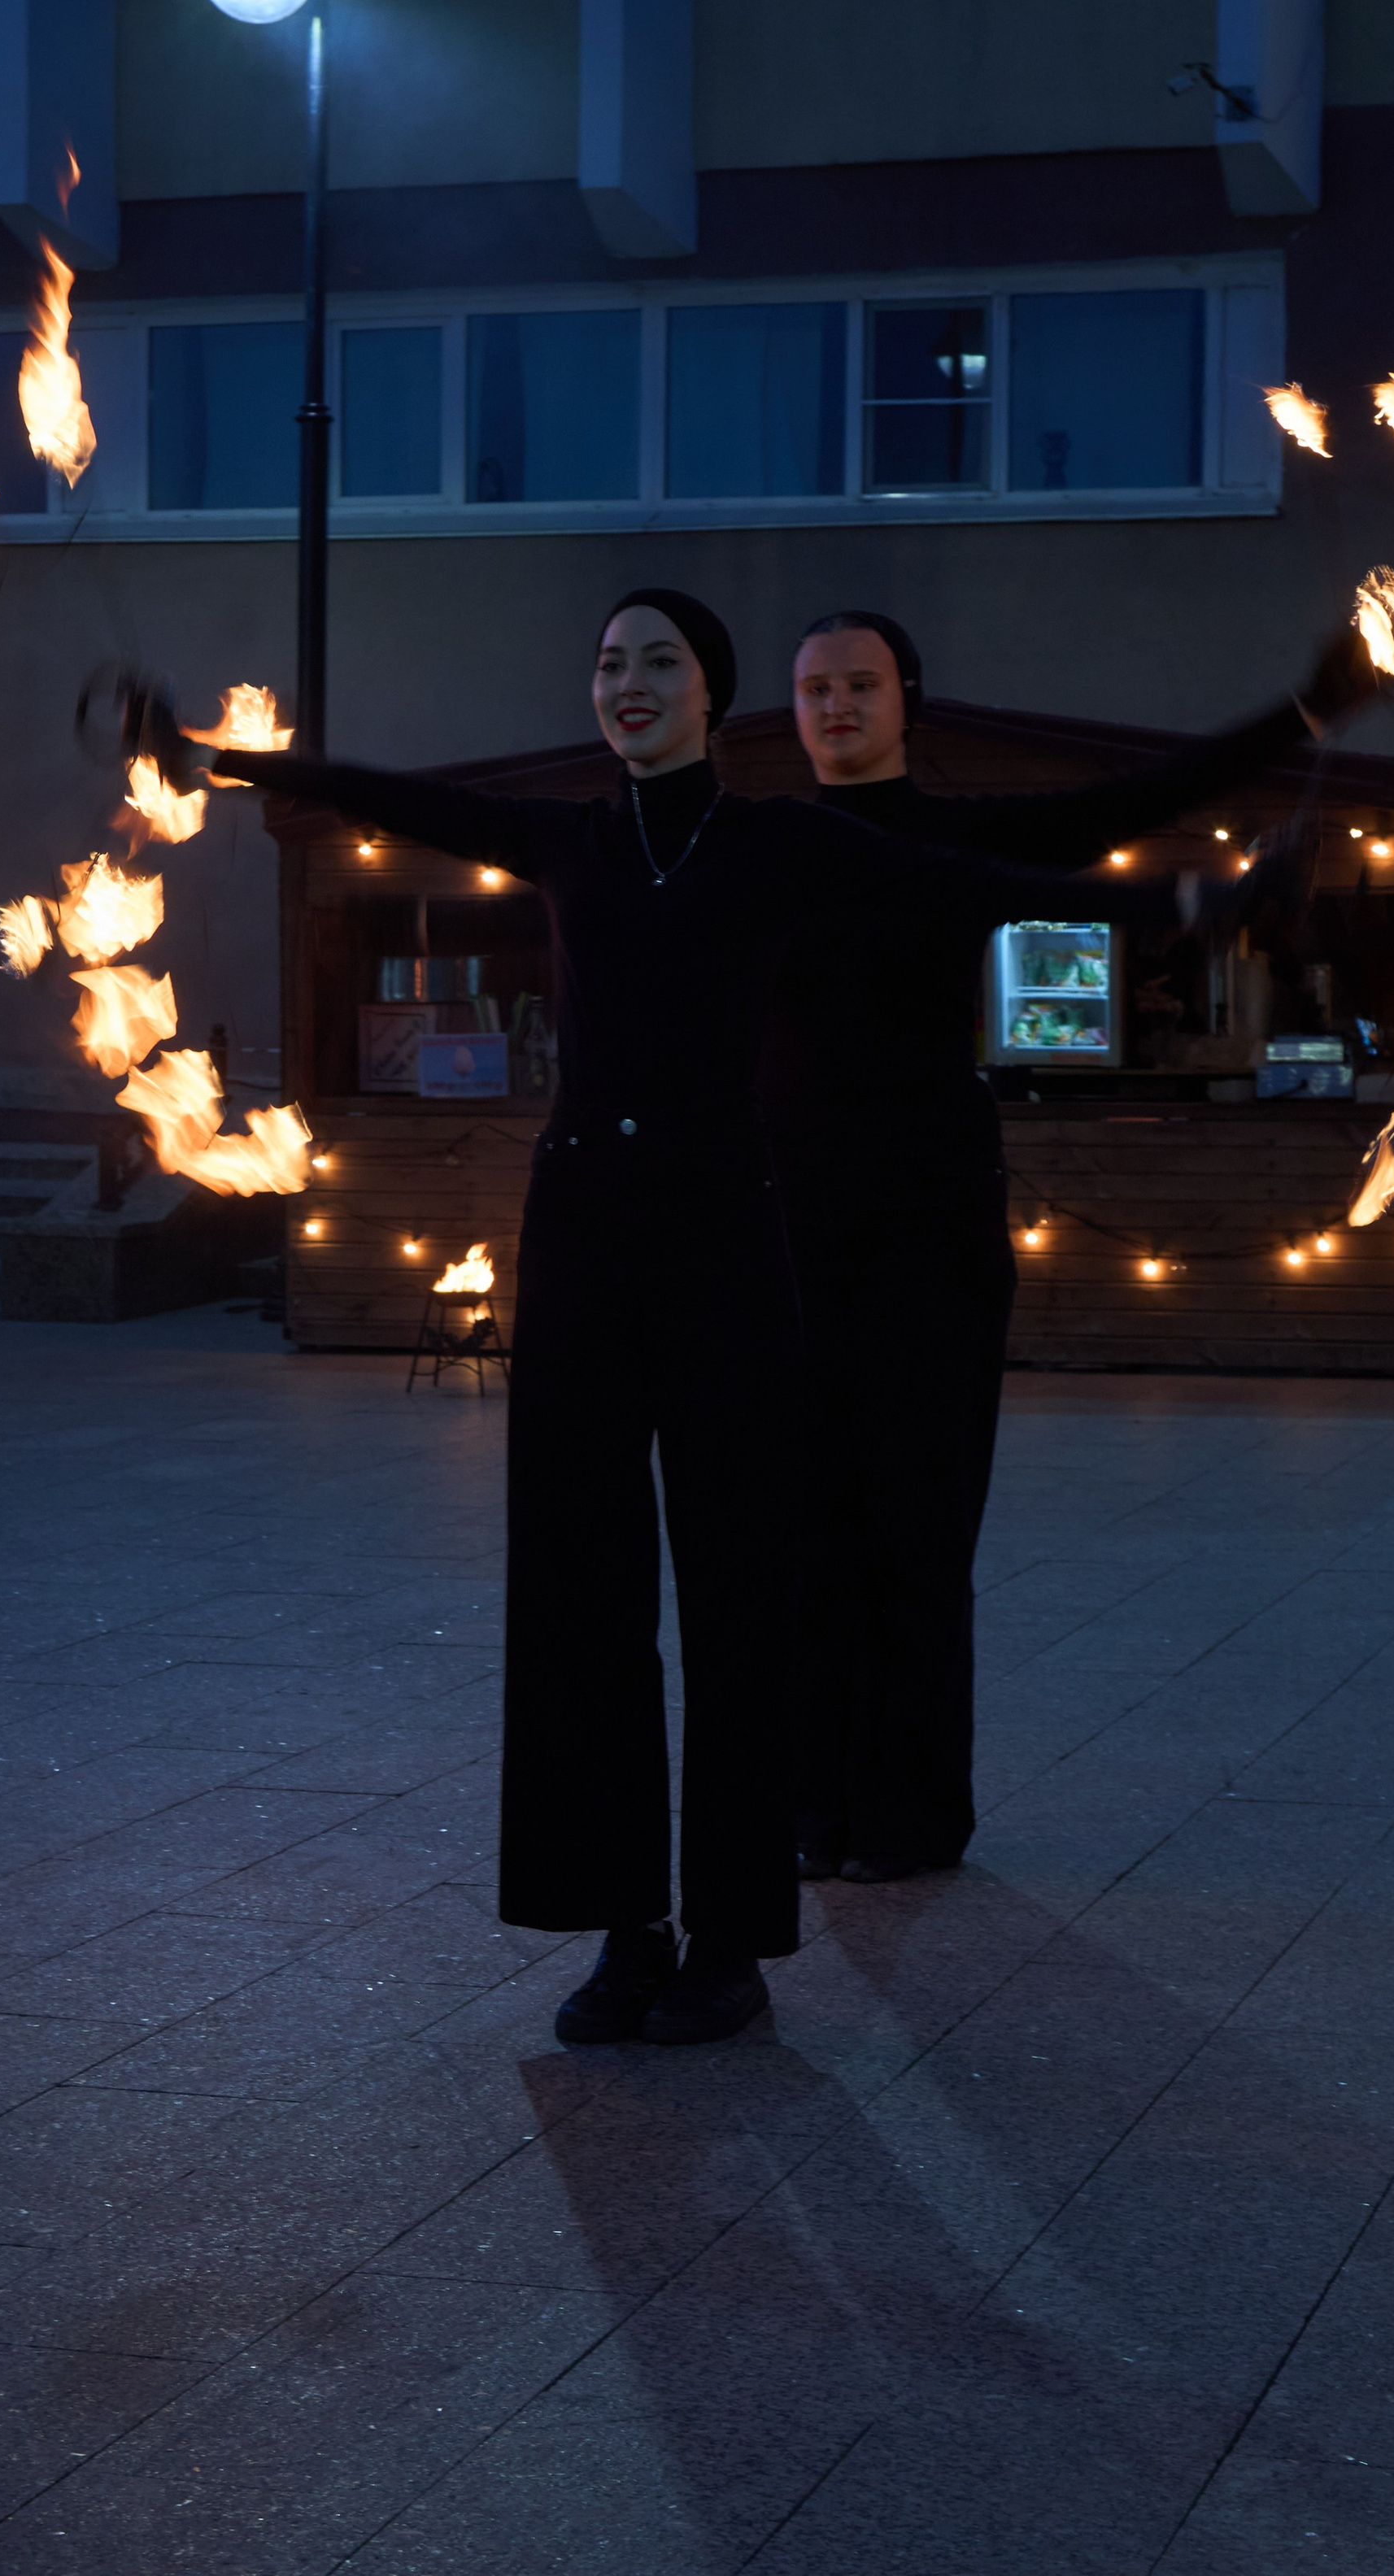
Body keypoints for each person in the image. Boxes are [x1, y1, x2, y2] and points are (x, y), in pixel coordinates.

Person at [150, 594, 1224, 2049]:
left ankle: (727, 1943)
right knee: (581, 1599)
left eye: (660, 662)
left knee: (740, 1589)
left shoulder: (782, 842)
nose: (627, 684)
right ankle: (622, 1929)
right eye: (607, 662)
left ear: (714, 696)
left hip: (729, 1232)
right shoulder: (570, 840)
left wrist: (1187, 903)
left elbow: (968, 886)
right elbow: (397, 796)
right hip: (585, 1230)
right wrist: (229, 761)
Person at [763, 611, 1378, 1887]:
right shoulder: (766, 849)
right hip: (791, 1225)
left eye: (860, 685)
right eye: (816, 688)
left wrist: (1303, 716)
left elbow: (1140, 799)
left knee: (921, 1528)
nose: (836, 707)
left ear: (906, 702)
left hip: (930, 1220)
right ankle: (817, 1806)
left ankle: (914, 1817)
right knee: (808, 1526)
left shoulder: (966, 834)